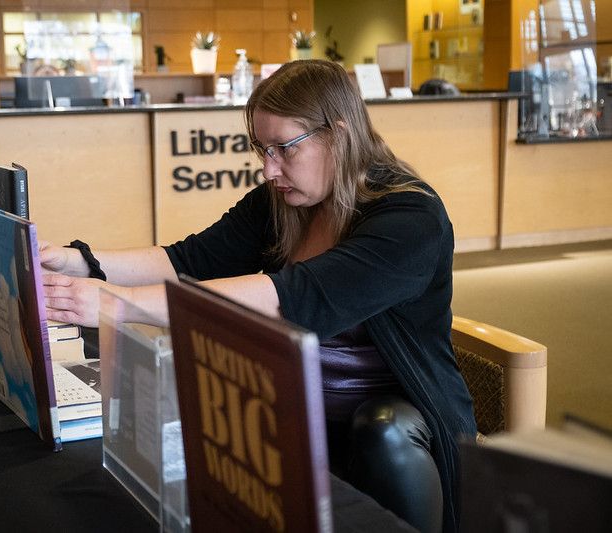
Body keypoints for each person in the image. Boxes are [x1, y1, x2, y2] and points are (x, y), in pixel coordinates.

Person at [40, 59, 476, 533]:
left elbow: (291, 298)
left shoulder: (411, 219)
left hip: (381, 423)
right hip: (287, 407)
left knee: (379, 426)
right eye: (262, 150)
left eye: (284, 149)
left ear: (340, 134)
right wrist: (80, 260)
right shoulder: (286, 203)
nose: (269, 170)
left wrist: (118, 304)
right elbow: (187, 260)